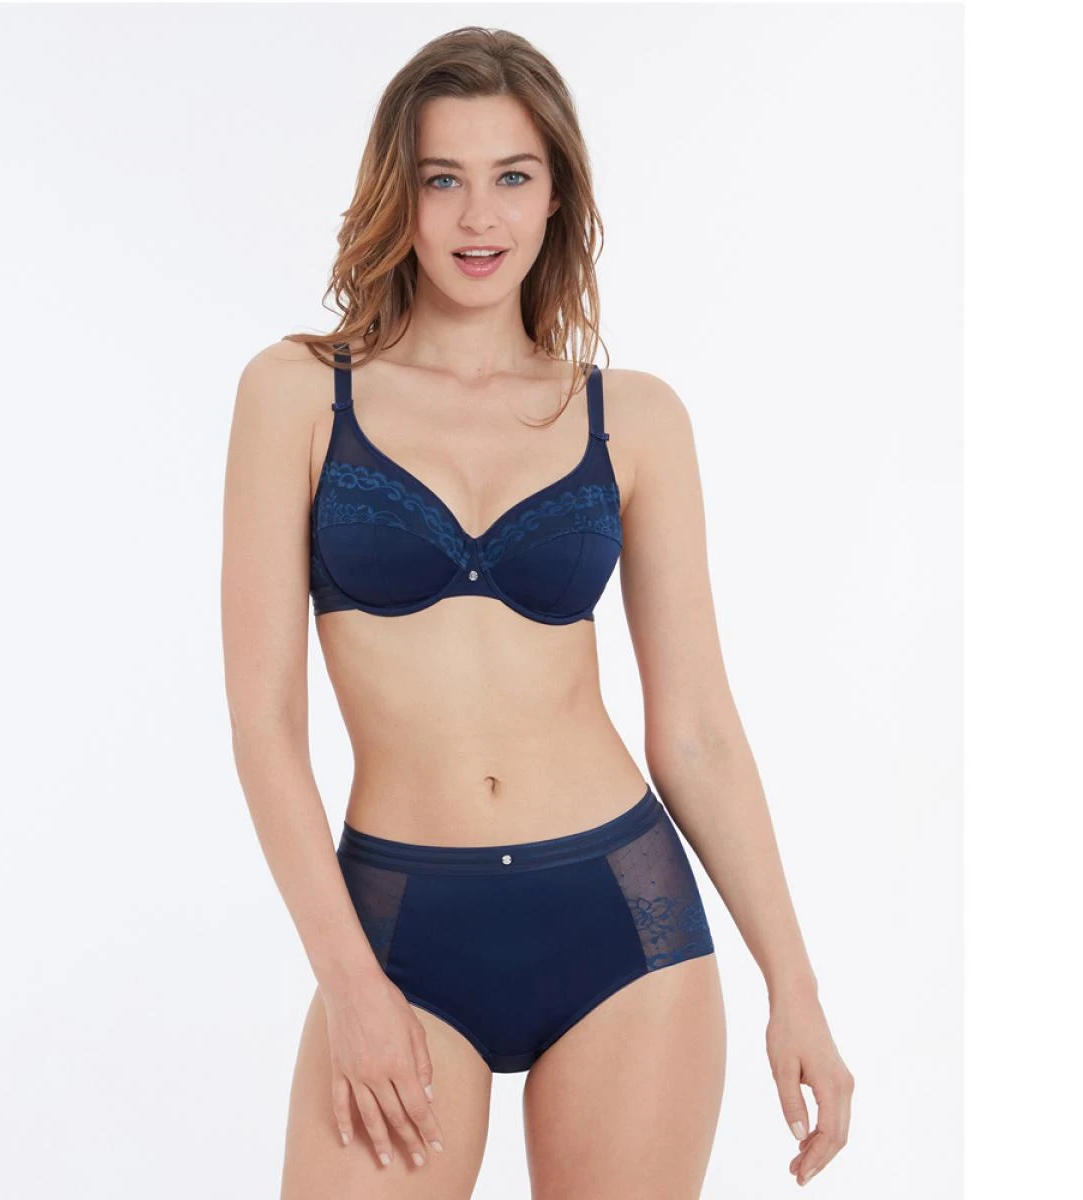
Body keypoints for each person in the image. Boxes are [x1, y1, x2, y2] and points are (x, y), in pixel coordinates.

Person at [221, 25, 853, 1200]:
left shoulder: (636, 418)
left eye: (512, 176)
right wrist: (350, 986)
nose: (479, 217)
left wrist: (795, 985)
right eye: (442, 179)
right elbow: (264, 724)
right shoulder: (299, 394)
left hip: (625, 927)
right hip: (401, 932)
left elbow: (698, 732)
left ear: (557, 194)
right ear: (398, 194)